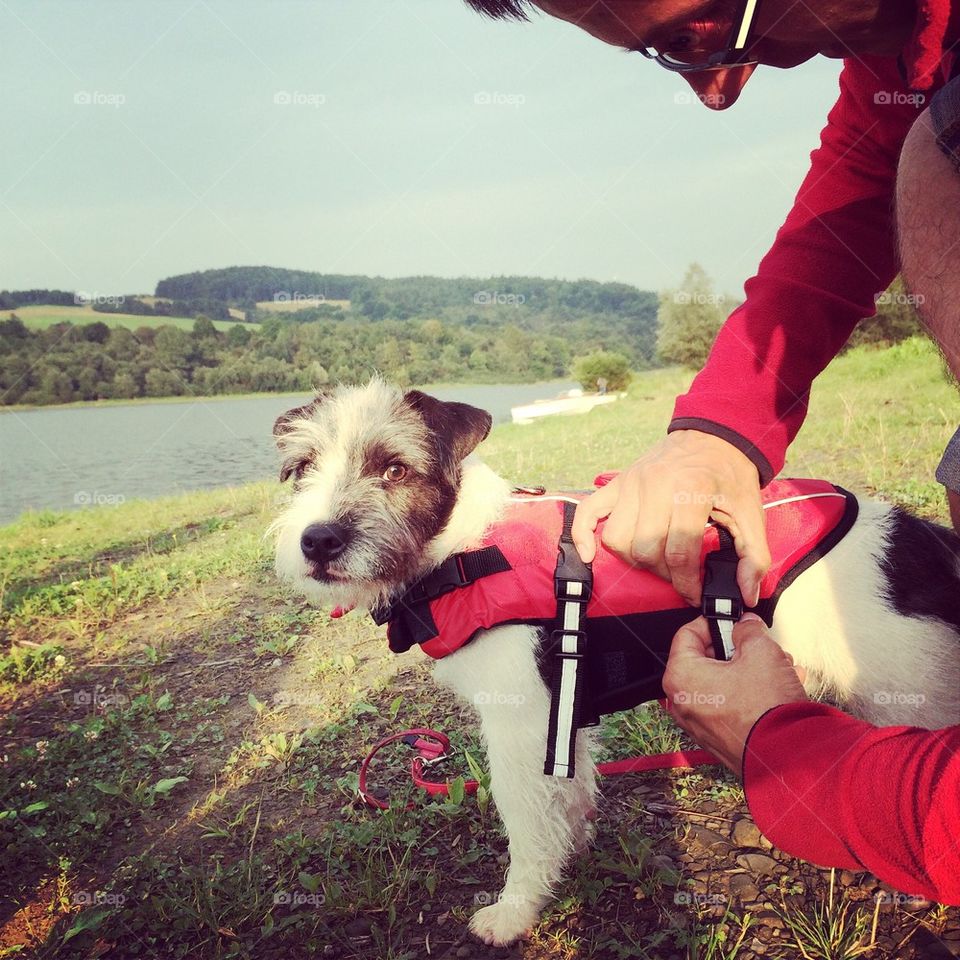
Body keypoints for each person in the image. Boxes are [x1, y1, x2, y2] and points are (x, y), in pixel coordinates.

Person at [462, 0, 960, 905]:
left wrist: (796, 753)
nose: (716, 92)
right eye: (669, 61)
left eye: (690, 37)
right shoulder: (898, 60)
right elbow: (837, 225)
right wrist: (714, 435)